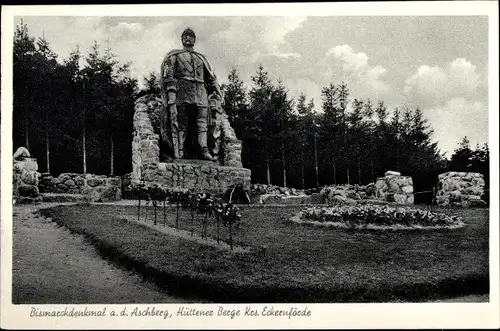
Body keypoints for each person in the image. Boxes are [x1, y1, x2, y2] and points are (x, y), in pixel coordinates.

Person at [160, 27, 222, 161]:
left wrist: (216, 90)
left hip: (200, 93)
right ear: (181, 39)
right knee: (181, 122)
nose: (188, 38)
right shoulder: (174, 56)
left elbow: (210, 78)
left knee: (202, 123)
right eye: (185, 36)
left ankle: (204, 150)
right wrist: (171, 96)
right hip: (183, 91)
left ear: (194, 40)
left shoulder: (202, 59)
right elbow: (169, 77)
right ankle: (180, 150)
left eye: (191, 36)